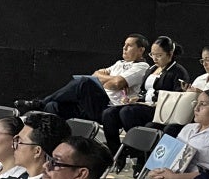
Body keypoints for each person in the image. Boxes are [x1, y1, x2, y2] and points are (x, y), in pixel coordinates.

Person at [15, 35, 150, 121]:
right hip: (91, 104)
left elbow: (116, 83)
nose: (124, 48)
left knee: (84, 82)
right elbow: (95, 75)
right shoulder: (119, 63)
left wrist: (108, 79)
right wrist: (109, 79)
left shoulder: (142, 67)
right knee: (53, 106)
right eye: (124, 44)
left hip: (109, 108)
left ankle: (40, 103)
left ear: (141, 50)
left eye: (129, 46)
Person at [101, 36, 190, 158]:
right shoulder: (152, 69)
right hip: (144, 105)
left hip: (160, 110)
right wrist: (137, 98)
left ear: (170, 54)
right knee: (109, 113)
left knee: (127, 112)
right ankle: (116, 153)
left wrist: (154, 100)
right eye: (152, 54)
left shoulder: (178, 72)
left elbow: (178, 96)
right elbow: (144, 91)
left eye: (159, 55)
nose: (154, 58)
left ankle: (137, 150)